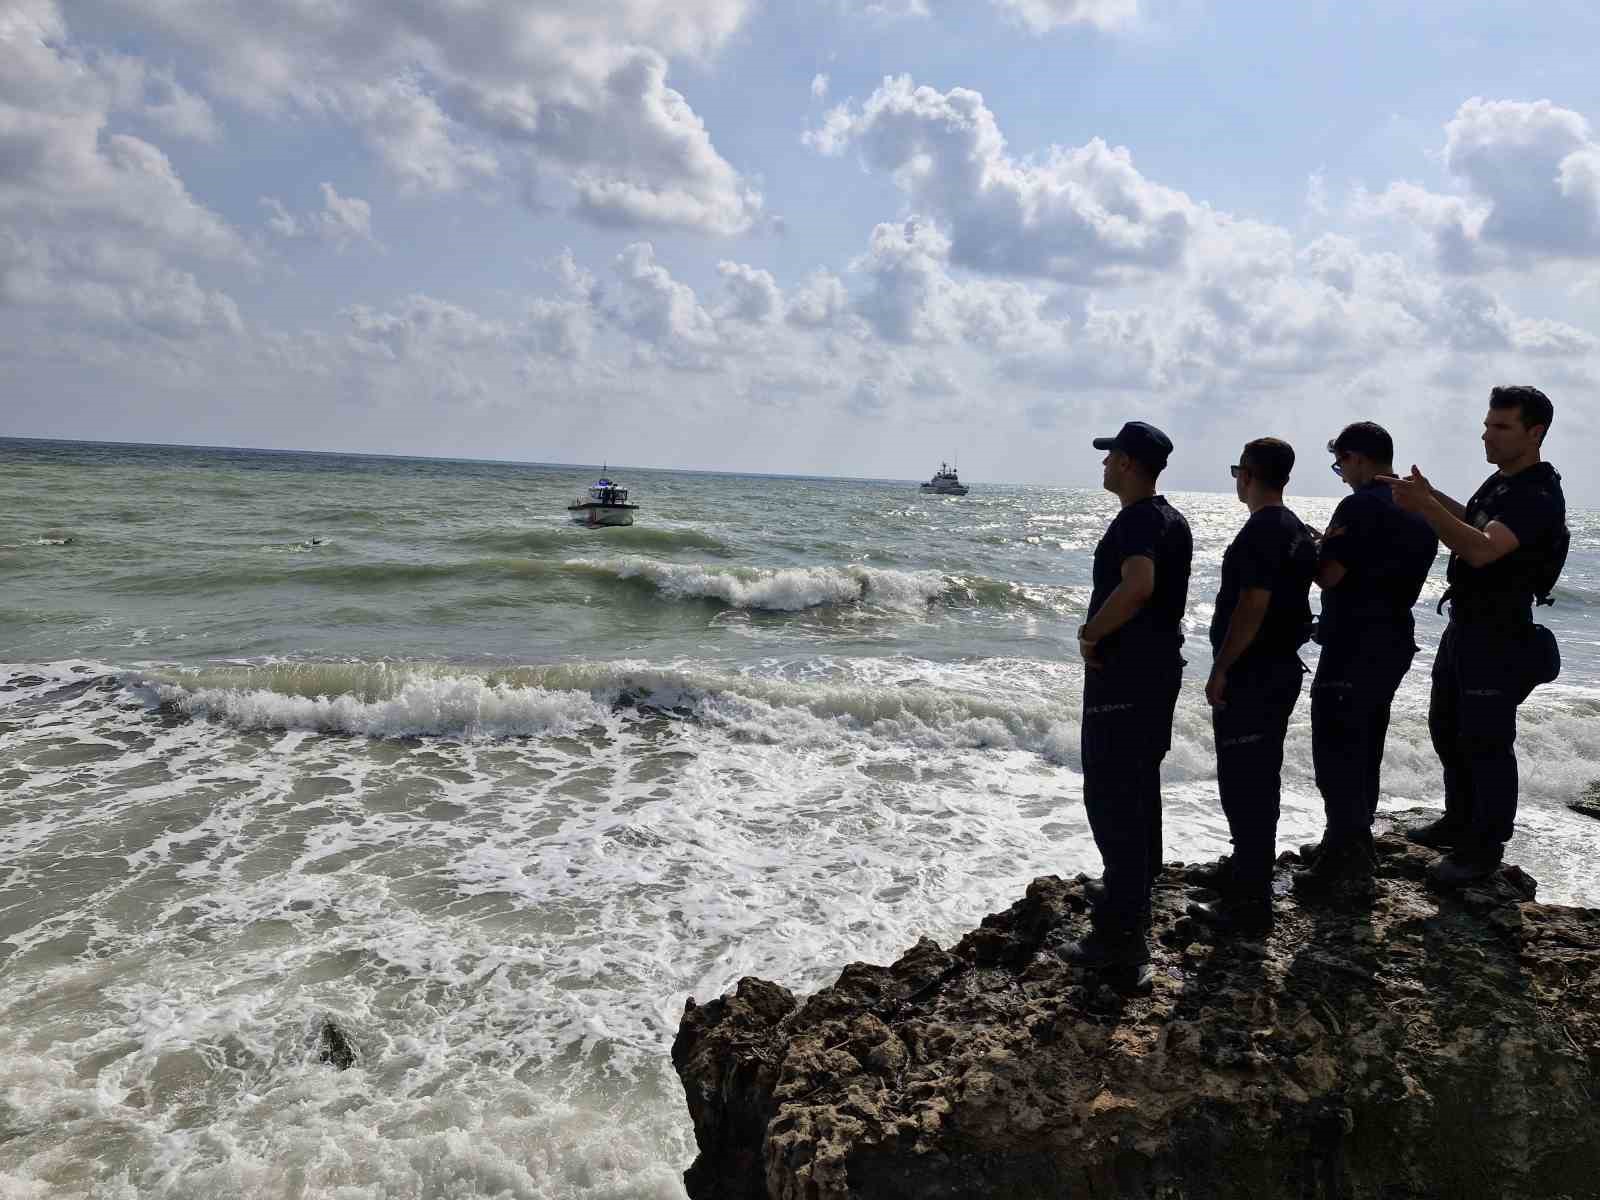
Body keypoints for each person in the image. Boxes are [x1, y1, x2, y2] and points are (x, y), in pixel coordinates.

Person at [1384, 386, 1569, 886]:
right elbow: (1471, 521)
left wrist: (1426, 507)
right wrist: (1426, 497)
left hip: (1500, 630)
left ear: (1536, 433)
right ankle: (1459, 818)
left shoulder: (1537, 493)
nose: (1487, 434)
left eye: (1502, 426)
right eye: (1487, 424)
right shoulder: (1500, 484)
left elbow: (1484, 550)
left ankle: (1483, 848)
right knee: (1446, 726)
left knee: (1485, 739)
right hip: (1466, 623)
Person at [1062, 421, 1193, 979]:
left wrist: (1092, 632)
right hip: (1156, 672)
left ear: (1130, 464)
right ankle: (1132, 884)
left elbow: (1137, 585)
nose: (1104, 464)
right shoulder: (1173, 519)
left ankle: (1121, 936)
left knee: (1112, 789)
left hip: (1127, 675)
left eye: (1111, 456)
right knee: (1138, 782)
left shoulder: (1139, 520)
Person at [1293, 422, 1439, 897]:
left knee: (1336, 752)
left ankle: (1344, 861)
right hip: (1394, 639)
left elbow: (1331, 575)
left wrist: (1313, 551)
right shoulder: (1419, 510)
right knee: (1365, 746)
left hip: (1352, 642)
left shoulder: (1358, 505)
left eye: (1341, 464)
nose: (1340, 475)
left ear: (1359, 458)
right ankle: (1351, 841)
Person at [1187, 438, 1317, 935]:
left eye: (1237, 470)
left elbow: (1253, 605)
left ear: (1247, 474)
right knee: (1258, 781)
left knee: (1246, 785)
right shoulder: (1296, 530)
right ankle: (1247, 878)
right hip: (1280, 669)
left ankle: (1250, 905)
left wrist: (1221, 667)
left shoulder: (1263, 530)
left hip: (1255, 674)